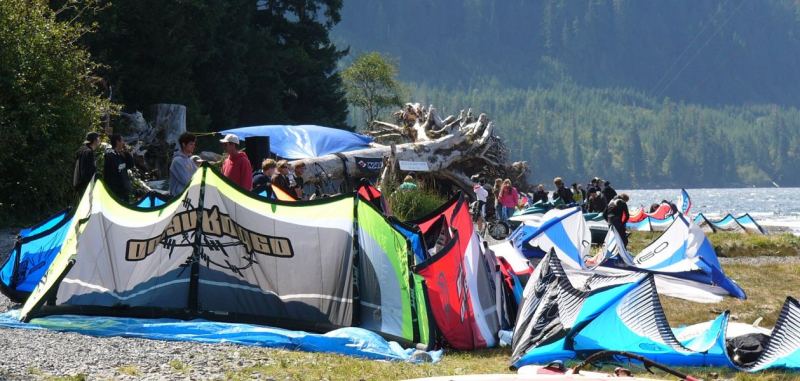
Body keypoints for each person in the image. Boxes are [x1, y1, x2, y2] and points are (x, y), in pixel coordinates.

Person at [103, 134, 135, 201]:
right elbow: (108, 174)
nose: (124, 143)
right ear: (117, 142)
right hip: (116, 191)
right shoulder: (110, 156)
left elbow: (131, 165)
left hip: (124, 190)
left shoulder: (121, 154)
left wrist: (127, 152)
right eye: (122, 141)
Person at [73, 132, 100, 197]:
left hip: (78, 184)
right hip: (85, 186)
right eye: (98, 139)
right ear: (94, 141)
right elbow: (87, 172)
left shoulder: (82, 150)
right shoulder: (88, 152)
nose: (99, 141)